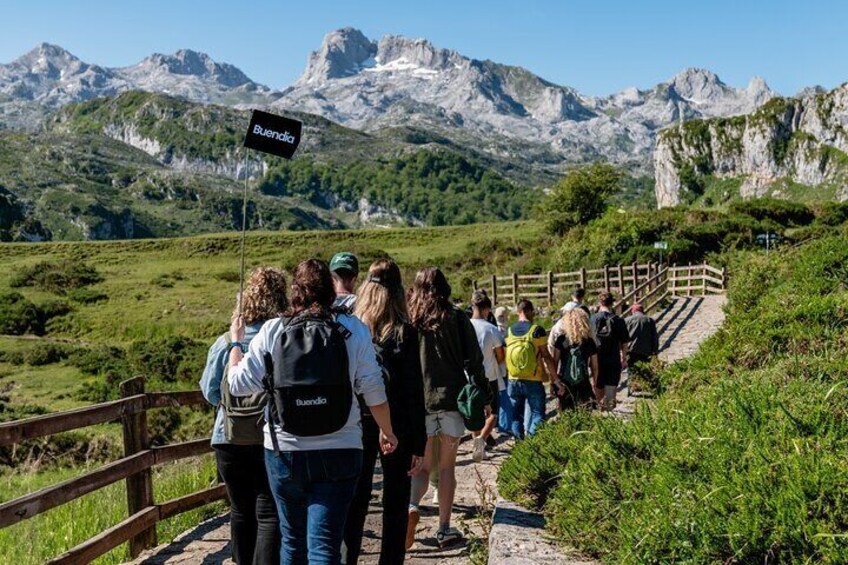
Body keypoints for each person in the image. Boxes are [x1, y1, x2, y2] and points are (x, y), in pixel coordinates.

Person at [227, 259, 399, 565]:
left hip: (284, 450)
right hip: (341, 447)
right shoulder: (352, 330)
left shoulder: (273, 330)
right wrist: (387, 430)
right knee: (325, 546)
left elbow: (238, 385)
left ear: (296, 291)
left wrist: (235, 345)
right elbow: (374, 391)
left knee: (292, 543)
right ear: (331, 290)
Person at [343, 259, 427, 565]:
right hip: (399, 424)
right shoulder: (405, 332)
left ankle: (349, 557)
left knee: (356, 500)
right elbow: (414, 392)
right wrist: (418, 443)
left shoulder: (353, 329)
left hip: (357, 421)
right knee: (395, 501)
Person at [200, 268, 285, 565]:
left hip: (228, 436)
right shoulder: (280, 338)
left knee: (239, 510)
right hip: (269, 436)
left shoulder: (226, 342)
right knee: (268, 510)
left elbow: (211, 392)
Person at [406, 267, 491, 549]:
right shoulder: (456, 317)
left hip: (421, 404)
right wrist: (484, 394)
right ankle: (444, 528)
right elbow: (475, 361)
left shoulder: (410, 319)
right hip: (453, 401)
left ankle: (410, 508)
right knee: (446, 469)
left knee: (421, 467)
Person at [505, 299, 563, 439]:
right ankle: (531, 444)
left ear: (518, 311)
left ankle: (519, 446)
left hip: (513, 379)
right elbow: (546, 357)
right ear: (530, 311)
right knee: (538, 413)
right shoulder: (537, 330)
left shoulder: (510, 330)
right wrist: (555, 379)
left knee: (515, 415)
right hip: (533, 379)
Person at [469, 291, 505, 461]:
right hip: (488, 375)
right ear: (487, 310)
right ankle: (481, 441)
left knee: (473, 412)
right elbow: (500, 356)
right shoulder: (491, 329)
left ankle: (477, 441)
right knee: (493, 412)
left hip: (468, 376)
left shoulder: (465, 327)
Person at [548, 307, 599, 410]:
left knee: (566, 414)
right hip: (584, 382)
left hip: (564, 384)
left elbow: (555, 363)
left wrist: (553, 382)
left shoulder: (561, 340)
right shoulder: (589, 342)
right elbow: (595, 367)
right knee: (585, 414)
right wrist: (595, 384)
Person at [591, 292, 630, 411]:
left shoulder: (592, 319)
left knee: (597, 384)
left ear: (599, 303)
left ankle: (599, 409)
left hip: (596, 359)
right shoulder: (618, 320)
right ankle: (608, 411)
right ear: (612, 303)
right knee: (611, 388)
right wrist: (624, 357)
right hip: (613, 359)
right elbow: (624, 342)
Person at [625, 303, 659, 390]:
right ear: (642, 311)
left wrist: (622, 350)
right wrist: (655, 351)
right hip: (646, 350)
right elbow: (654, 337)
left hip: (631, 349)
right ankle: (649, 386)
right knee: (645, 368)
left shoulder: (627, 320)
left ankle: (631, 385)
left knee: (631, 368)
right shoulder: (649, 320)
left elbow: (623, 337)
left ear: (633, 311)